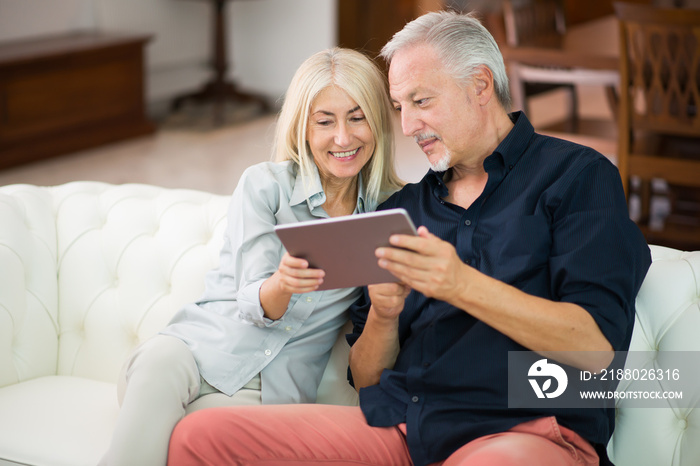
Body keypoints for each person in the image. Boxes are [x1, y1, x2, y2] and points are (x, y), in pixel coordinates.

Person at [166, 11, 652, 466]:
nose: (406, 126)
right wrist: (384, 313)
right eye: (399, 107)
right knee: (200, 438)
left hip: (523, 432)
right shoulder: (400, 211)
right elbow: (369, 378)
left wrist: (460, 283)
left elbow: (596, 351)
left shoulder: (576, 178)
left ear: (480, 85)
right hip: (400, 428)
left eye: (421, 101)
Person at [98, 47, 403, 466]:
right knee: (159, 360)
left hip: (270, 396)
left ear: (378, 122)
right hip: (192, 357)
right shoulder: (265, 186)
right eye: (325, 121)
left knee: (192, 437)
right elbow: (251, 299)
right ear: (303, 128)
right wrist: (281, 284)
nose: (344, 138)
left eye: (357, 117)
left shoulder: (392, 212)